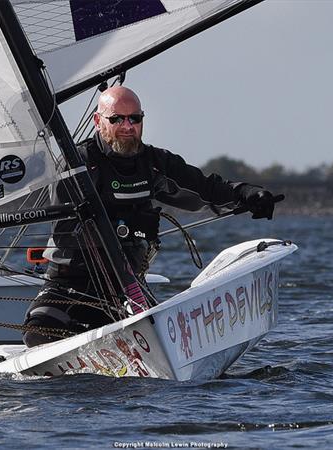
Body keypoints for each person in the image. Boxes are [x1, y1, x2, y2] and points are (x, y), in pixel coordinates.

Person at [22, 86, 284, 347]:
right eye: (117, 119)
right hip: (70, 281)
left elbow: (206, 189)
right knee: (38, 333)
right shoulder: (77, 164)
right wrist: (119, 228)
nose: (127, 126)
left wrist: (247, 194)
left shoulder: (155, 163)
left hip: (126, 285)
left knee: (158, 344)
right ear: (97, 121)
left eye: (134, 118)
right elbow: (65, 234)